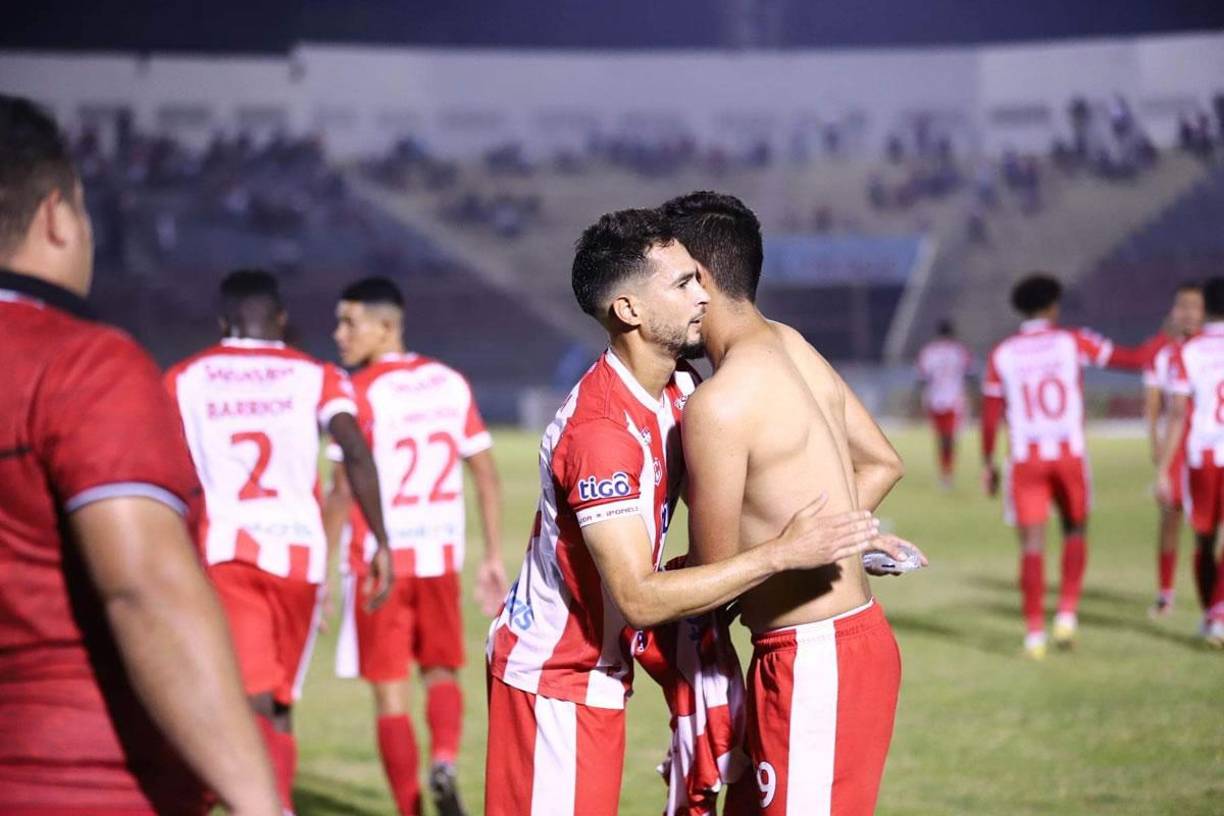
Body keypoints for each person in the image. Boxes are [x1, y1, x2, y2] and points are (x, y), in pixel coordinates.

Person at [484, 208, 904, 816]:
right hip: (556, 676)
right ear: (629, 310)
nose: (703, 296)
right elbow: (639, 597)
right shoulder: (602, 435)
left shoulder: (682, 389)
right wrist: (783, 553)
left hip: (604, 668)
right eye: (682, 283)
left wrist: (837, 534)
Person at [0, 94, 281, 814]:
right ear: (58, 216)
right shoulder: (82, 364)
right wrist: (260, 802)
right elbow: (144, 588)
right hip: (77, 783)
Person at [661, 191, 918, 816]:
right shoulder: (790, 342)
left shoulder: (719, 403)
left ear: (698, 279)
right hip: (834, 646)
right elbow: (882, 461)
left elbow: (713, 582)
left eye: (666, 278)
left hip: (814, 658)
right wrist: (826, 541)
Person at [165, 268, 393, 811]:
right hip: (301, 561)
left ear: (223, 321)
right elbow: (355, 450)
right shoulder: (316, 375)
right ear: (281, 319)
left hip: (226, 552)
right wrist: (382, 541)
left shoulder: (185, 377)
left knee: (251, 699)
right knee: (279, 700)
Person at [326, 276, 506, 816]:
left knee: (390, 693)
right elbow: (484, 472)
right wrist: (492, 555)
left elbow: (341, 490)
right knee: (441, 671)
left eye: (349, 323)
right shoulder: (448, 382)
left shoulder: (355, 393)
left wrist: (322, 570)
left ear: (386, 326)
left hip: (377, 564)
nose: (339, 334)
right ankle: (444, 759)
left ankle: (410, 809)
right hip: (439, 558)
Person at [981, 273, 1151, 658]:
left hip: (1026, 460)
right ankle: (1067, 614)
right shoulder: (1072, 341)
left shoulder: (1002, 353)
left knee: (1032, 545)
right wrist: (1167, 340)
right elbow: (1132, 359)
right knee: (1075, 529)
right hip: (1069, 455)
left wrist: (988, 463)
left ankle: (1034, 635)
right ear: (1053, 306)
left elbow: (990, 416)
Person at [1158, 277, 1224, 646]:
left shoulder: (1186, 352)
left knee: (1204, 540)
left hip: (1201, 457)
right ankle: (1219, 615)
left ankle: (1210, 614)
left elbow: (1177, 412)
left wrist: (1163, 468)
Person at [1143, 283, 1203, 616]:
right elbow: (1153, 404)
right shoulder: (1163, 355)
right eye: (1183, 306)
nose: (1189, 313)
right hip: (1178, 447)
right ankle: (1165, 593)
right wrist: (1156, 443)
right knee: (1170, 516)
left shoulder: (1213, 348)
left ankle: (1214, 599)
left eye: (1195, 306)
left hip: (1212, 444)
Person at [916, 319, 975, 488]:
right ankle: (947, 472)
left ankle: (945, 473)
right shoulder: (959, 351)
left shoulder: (929, 352)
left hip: (934, 400)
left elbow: (922, 379)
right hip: (954, 400)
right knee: (950, 438)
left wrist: (918, 401)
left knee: (941, 439)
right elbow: (969, 375)